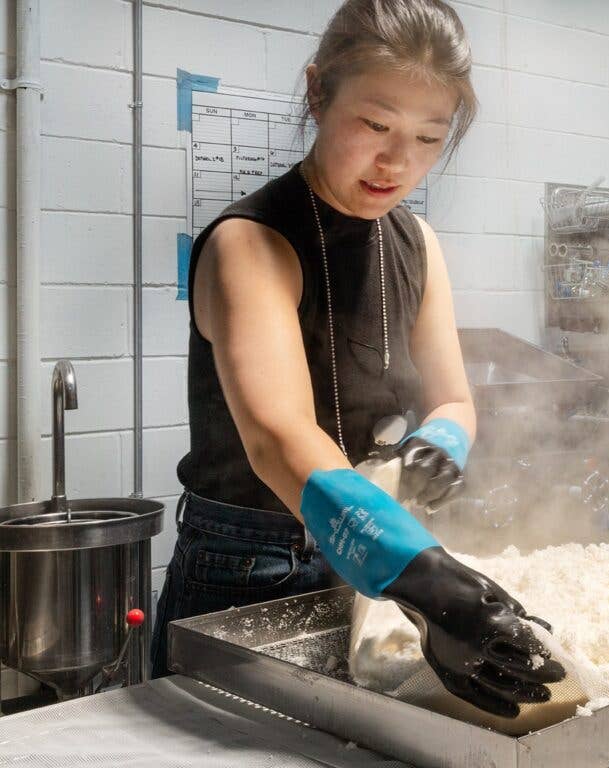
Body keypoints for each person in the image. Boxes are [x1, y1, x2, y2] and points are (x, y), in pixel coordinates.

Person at [151, 0, 564, 718]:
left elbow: (453, 398)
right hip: (253, 566)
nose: (397, 162)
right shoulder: (251, 243)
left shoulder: (419, 245)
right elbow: (278, 436)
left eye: (429, 138)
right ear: (317, 92)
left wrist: (441, 442)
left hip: (378, 556)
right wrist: (422, 573)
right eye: (375, 126)